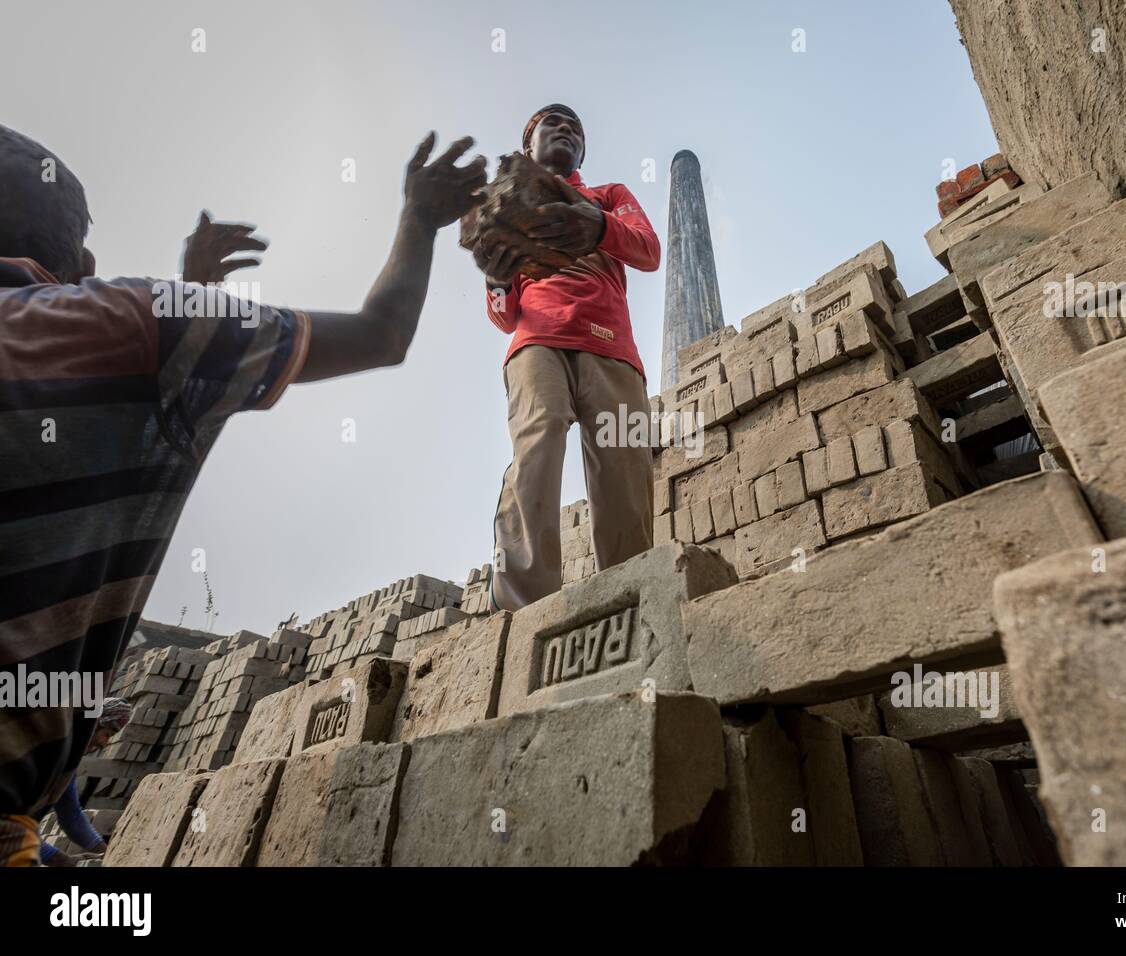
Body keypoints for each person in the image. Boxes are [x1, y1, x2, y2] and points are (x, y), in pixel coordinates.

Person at [0, 124, 486, 866]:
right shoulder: (133, 325)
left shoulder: (135, 325)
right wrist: (418, 219)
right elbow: (382, 334)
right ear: (84, 262)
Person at [473, 104, 660, 612]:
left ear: (582, 150)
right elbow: (503, 314)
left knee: (624, 471)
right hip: (537, 341)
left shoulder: (608, 197)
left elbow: (648, 250)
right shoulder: (513, 203)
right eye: (551, 123)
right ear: (528, 144)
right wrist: (494, 279)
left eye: (575, 127)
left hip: (612, 347)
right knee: (537, 445)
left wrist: (598, 226)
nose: (566, 129)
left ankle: (631, 596)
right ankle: (521, 606)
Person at [36, 698, 131, 867]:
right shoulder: (38, 753)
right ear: (91, 725)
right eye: (107, 734)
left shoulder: (65, 764)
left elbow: (71, 816)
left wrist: (108, 853)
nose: (104, 744)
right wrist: (64, 861)